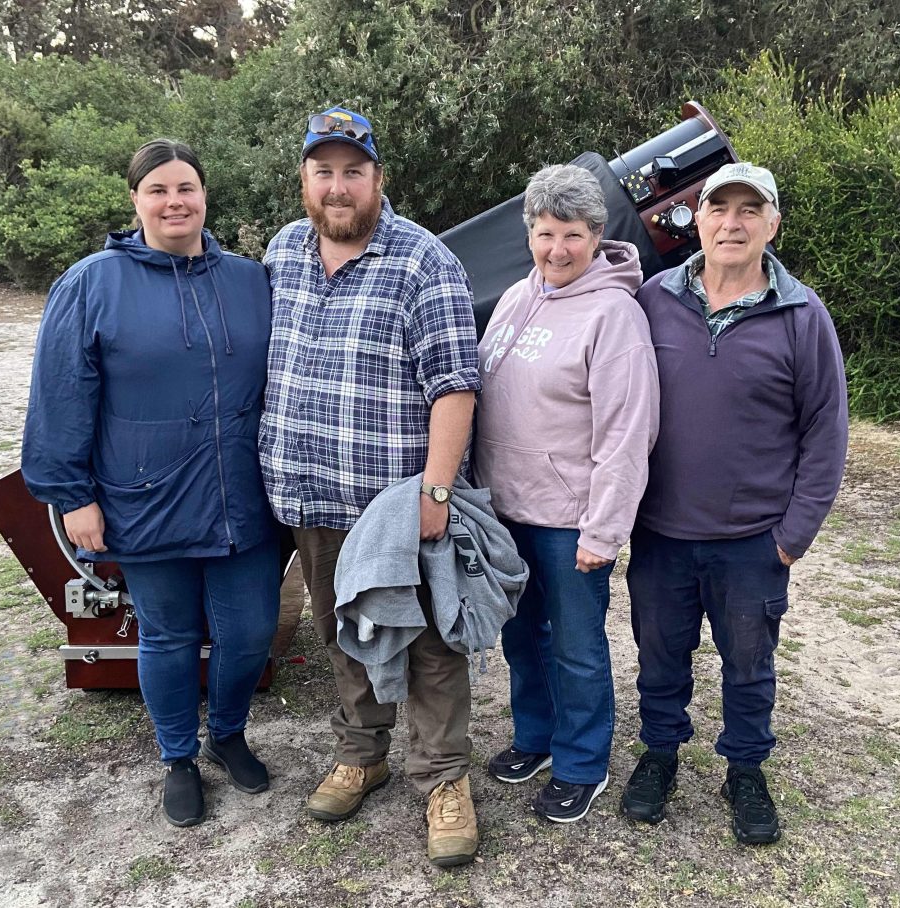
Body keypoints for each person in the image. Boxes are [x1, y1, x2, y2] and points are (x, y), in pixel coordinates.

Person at [22, 139, 280, 828]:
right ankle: (178, 757)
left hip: (241, 497)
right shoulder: (91, 283)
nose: (175, 202)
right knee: (165, 635)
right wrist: (72, 495)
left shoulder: (251, 280)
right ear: (135, 200)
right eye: (158, 190)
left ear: (204, 196)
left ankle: (227, 734)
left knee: (250, 633)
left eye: (186, 188)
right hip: (146, 496)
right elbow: (59, 394)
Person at [258, 107, 482, 866]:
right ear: (305, 181)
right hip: (309, 493)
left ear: (379, 180)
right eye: (324, 171)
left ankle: (444, 778)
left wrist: (438, 492)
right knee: (339, 632)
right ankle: (364, 751)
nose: (338, 185)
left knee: (426, 643)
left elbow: (455, 385)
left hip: (393, 505)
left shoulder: (425, 260)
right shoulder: (283, 251)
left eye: (354, 170)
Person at [622, 162, 848, 844]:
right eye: (721, 207)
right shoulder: (652, 299)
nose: (734, 221)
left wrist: (791, 537)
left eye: (752, 210)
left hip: (753, 542)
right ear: (699, 216)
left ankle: (744, 768)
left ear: (772, 225)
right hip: (661, 533)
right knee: (659, 658)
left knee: (749, 668)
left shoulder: (803, 316)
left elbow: (826, 434)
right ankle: (659, 755)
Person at [473, 164, 660, 823]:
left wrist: (604, 528)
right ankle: (537, 738)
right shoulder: (522, 296)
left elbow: (626, 431)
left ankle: (583, 763)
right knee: (522, 638)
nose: (557, 249)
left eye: (572, 236)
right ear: (529, 233)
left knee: (576, 646)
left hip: (569, 520)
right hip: (507, 511)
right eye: (545, 233)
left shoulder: (615, 315)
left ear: (596, 235)